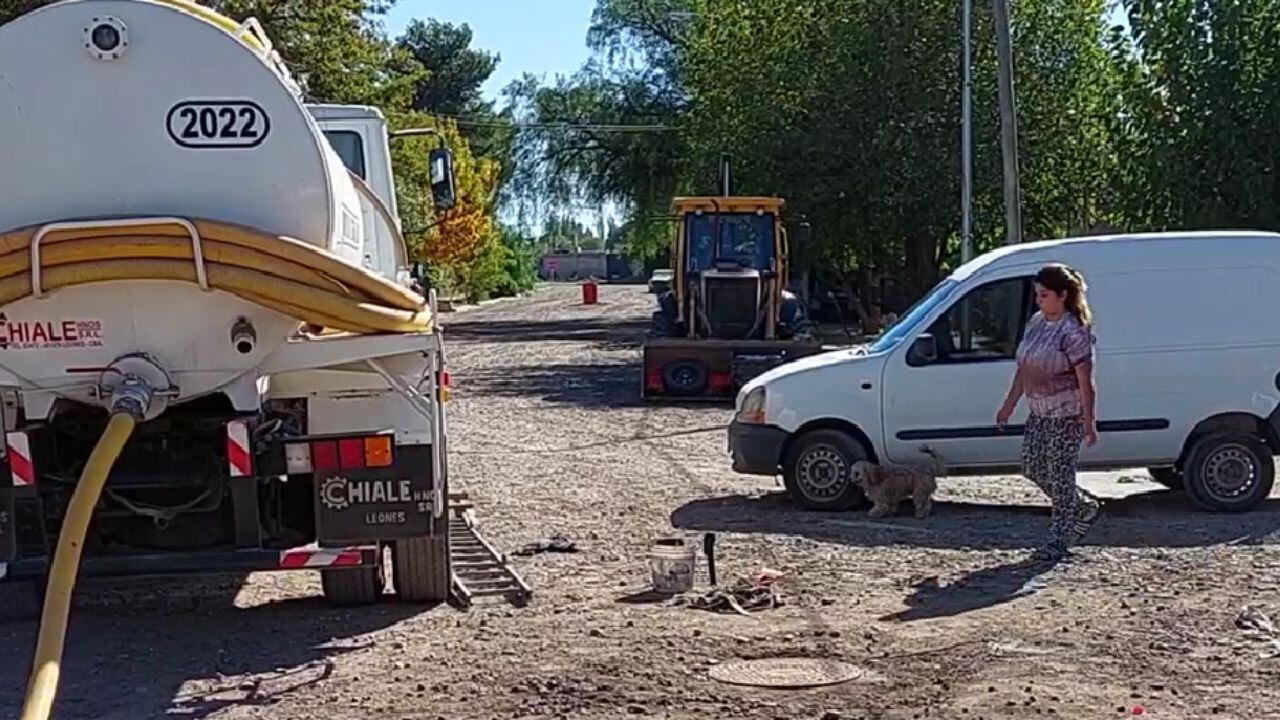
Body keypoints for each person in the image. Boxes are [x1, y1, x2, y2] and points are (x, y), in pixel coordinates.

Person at [996, 263, 1101, 562]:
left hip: (1066, 414)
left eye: (1044, 295)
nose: (1039, 300)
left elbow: (1086, 381)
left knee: (1060, 474)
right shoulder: (1037, 322)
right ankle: (1081, 506)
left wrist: (1088, 421)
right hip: (1039, 411)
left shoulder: (1074, 330)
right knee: (1031, 466)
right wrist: (1009, 403)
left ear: (1062, 295)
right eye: (1037, 295)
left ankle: (1059, 539)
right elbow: (1024, 368)